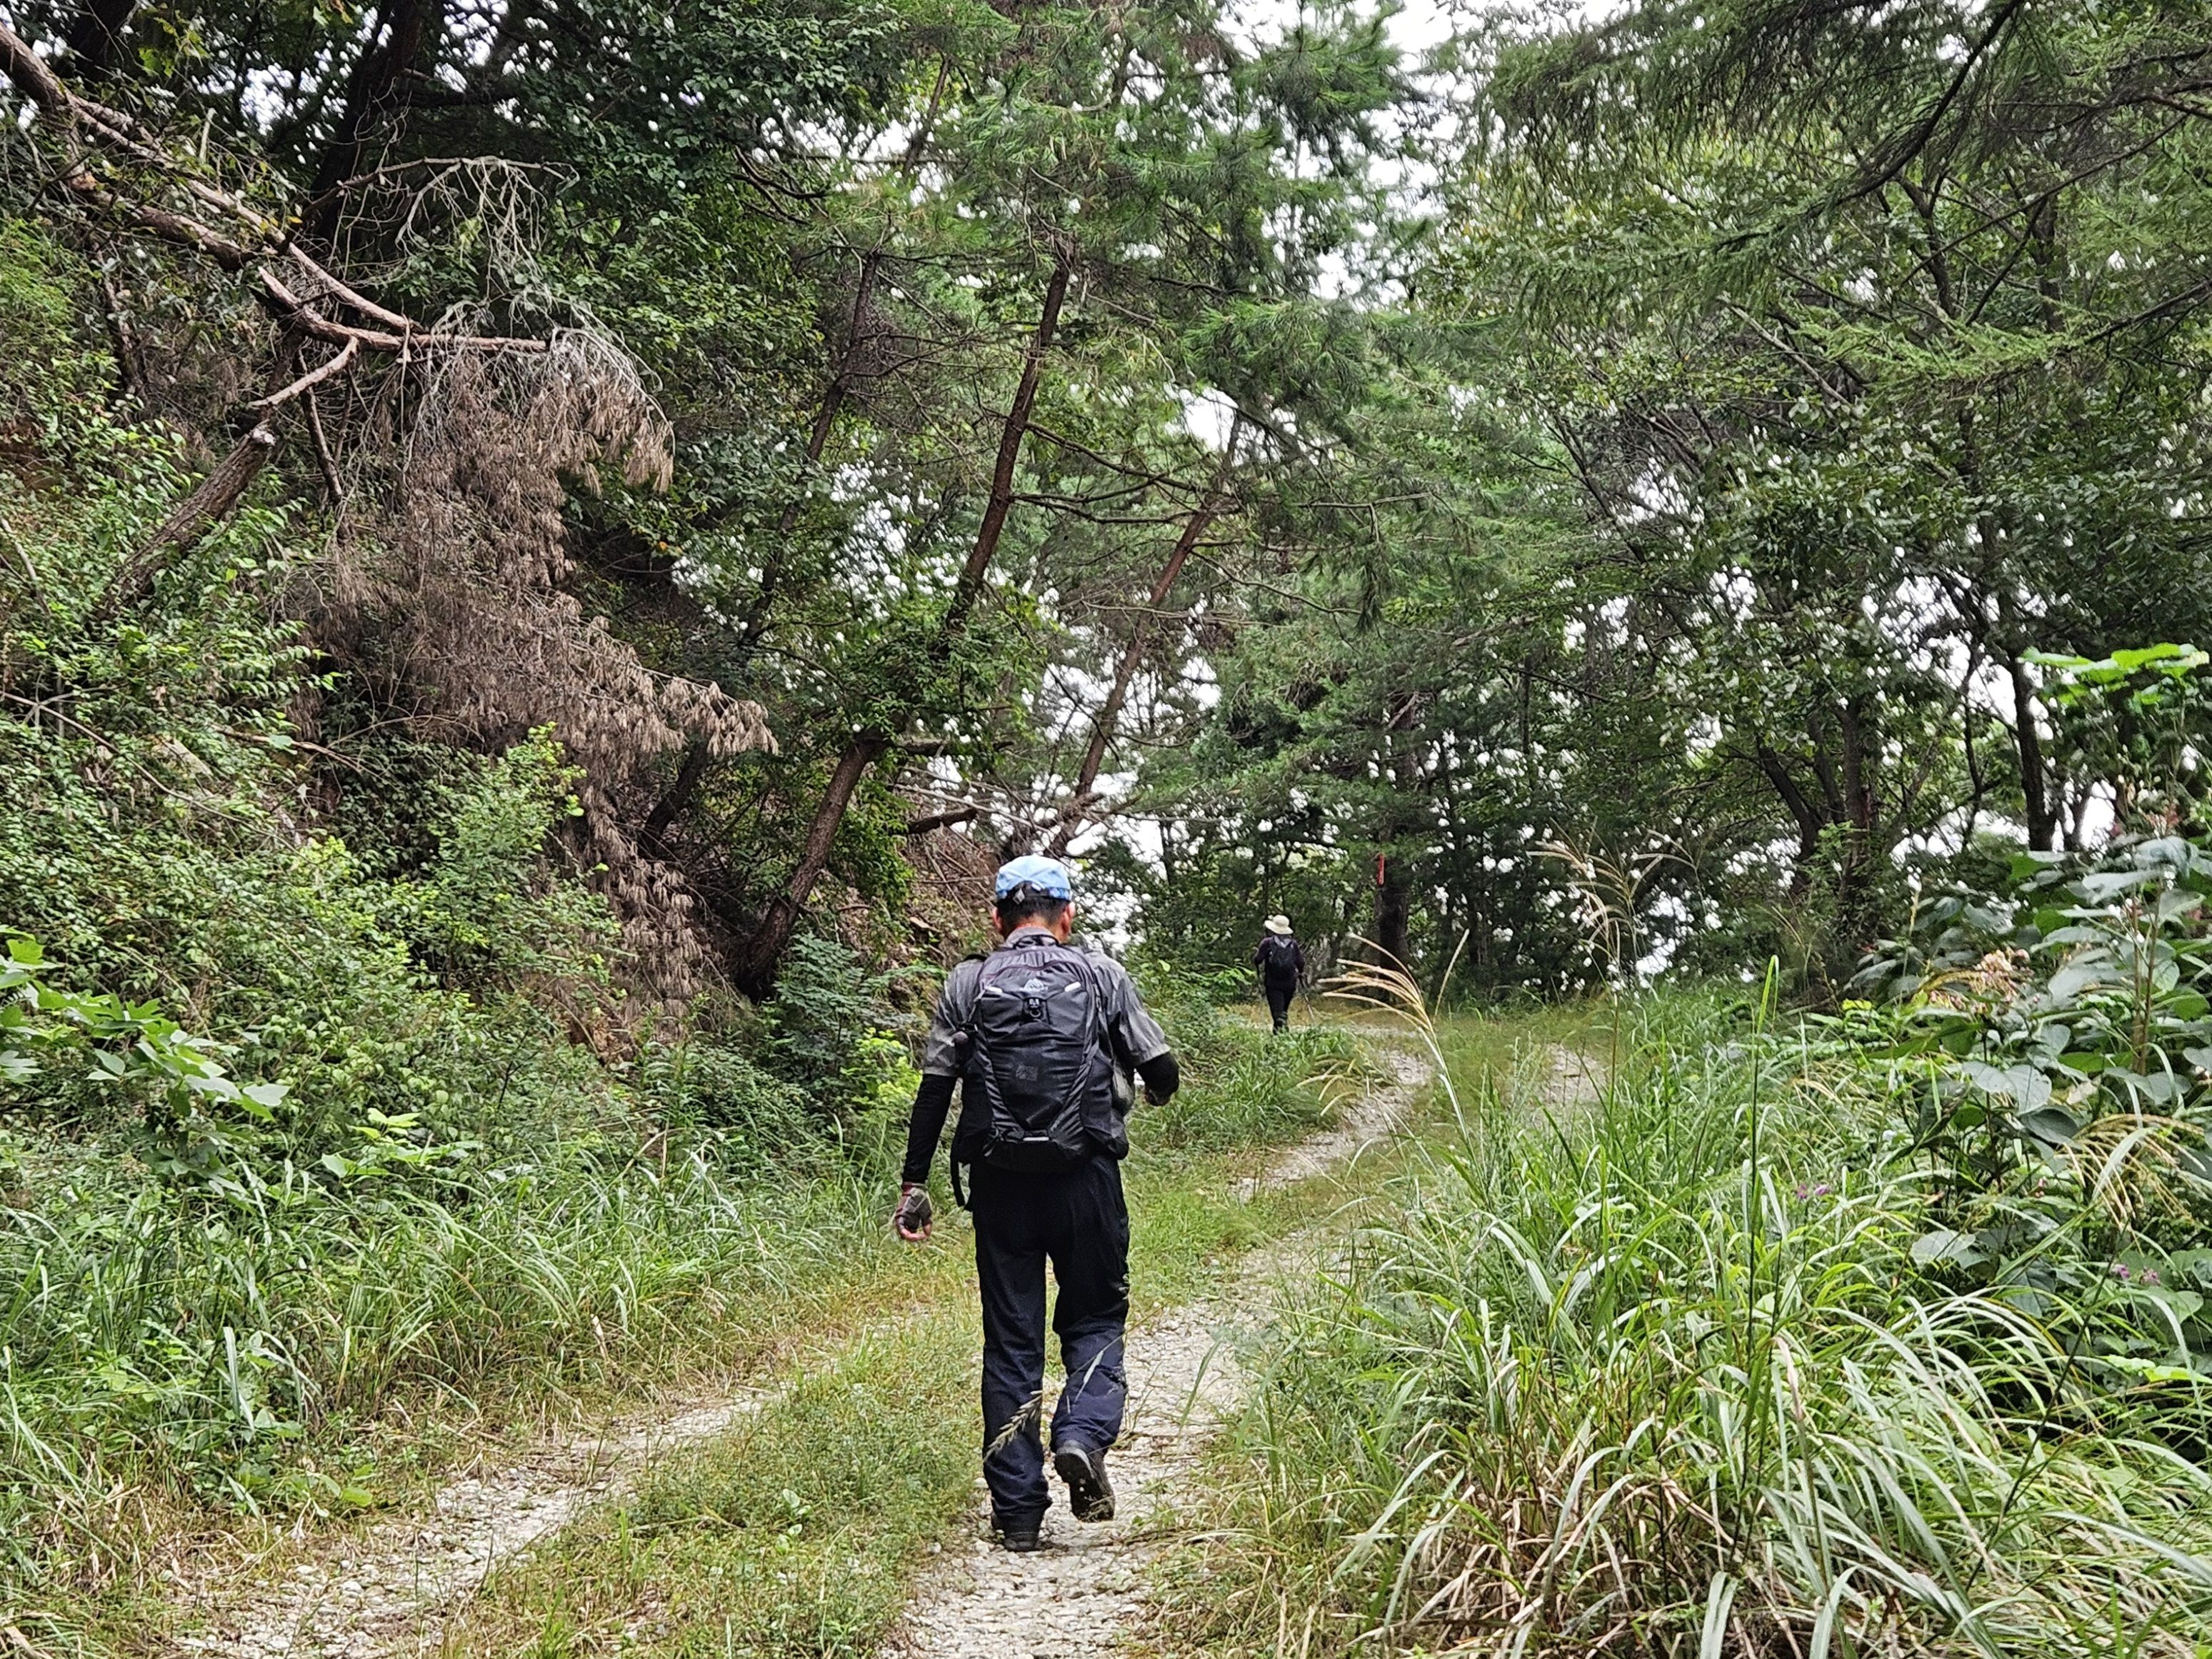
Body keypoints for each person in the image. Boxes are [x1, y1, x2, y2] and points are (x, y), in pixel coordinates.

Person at [893, 854, 1181, 1552]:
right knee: (1096, 1316)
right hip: (1087, 1179)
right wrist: (1153, 1090)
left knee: (1011, 1341)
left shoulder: (968, 982)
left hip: (1001, 1186)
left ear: (997, 919)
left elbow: (935, 1088)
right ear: (1067, 917)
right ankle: (1080, 1433)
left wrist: (914, 1186)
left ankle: (1018, 1513)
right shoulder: (1102, 975)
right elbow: (1161, 1069)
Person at [1251, 913, 1306, 1033]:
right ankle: (1282, 1033)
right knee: (1283, 1009)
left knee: (1277, 1011)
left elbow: (1258, 959)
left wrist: (1256, 959)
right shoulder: (1293, 945)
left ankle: (1280, 1033)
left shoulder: (1267, 943)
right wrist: (1301, 974)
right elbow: (1300, 962)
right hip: (1290, 982)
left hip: (1273, 982)